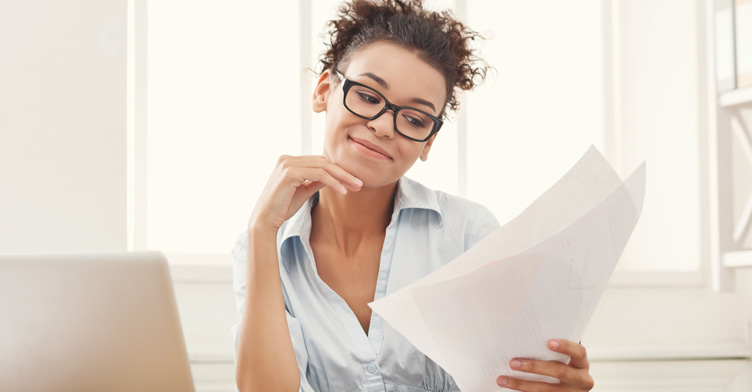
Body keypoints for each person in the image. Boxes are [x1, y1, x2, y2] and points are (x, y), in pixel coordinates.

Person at [232, 1, 595, 391]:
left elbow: (512, 374)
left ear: (429, 141)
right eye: (368, 96)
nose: (384, 126)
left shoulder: (467, 234)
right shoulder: (263, 247)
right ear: (324, 91)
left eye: (414, 119)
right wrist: (261, 230)